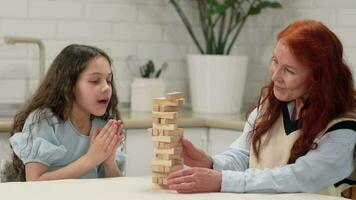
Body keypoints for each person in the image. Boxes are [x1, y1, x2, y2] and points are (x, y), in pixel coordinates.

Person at [167, 19, 356, 197]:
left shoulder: (343, 129)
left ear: (319, 78)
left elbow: (300, 177)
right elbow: (244, 156)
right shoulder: (270, 105)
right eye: (275, 61)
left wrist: (222, 180)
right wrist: (211, 163)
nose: (275, 77)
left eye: (289, 71)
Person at [8, 44, 125, 181]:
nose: (106, 87)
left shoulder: (103, 125)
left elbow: (116, 185)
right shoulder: (45, 122)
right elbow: (34, 181)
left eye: (108, 80)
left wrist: (109, 163)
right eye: (95, 81)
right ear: (69, 85)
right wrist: (90, 159)